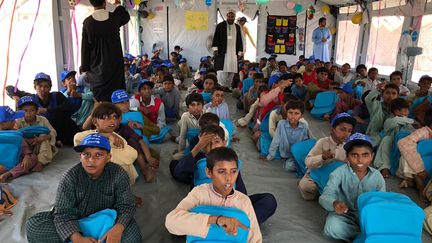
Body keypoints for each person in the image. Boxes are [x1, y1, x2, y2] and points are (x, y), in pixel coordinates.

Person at [26, 134, 141, 243]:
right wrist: (77, 239)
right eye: (86, 154)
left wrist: (117, 229)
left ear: (108, 158)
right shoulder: (70, 177)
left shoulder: (119, 174)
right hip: (77, 222)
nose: (91, 160)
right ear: (80, 157)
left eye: (99, 155)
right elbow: (62, 213)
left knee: (132, 237)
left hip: (107, 223)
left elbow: (126, 206)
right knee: (34, 225)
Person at [165, 147, 262, 242]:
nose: (229, 177)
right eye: (221, 171)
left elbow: (255, 238)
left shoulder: (243, 201)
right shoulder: (199, 193)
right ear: (209, 172)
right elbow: (171, 222)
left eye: (233, 171)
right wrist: (216, 220)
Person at [319, 133, 385, 242]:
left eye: (365, 155)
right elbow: (325, 196)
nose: (360, 160)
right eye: (354, 155)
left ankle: (362, 236)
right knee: (332, 226)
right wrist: (334, 203)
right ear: (347, 157)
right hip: (344, 216)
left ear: (372, 156)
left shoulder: (377, 176)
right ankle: (365, 237)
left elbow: (381, 201)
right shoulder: (338, 173)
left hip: (367, 217)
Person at [75, 103, 139, 185]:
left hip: (118, 180)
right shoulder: (89, 135)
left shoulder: (117, 139)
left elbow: (132, 155)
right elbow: (77, 138)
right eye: (106, 118)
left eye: (114, 117)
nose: (112, 121)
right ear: (95, 121)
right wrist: (106, 135)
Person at [298, 113, 356, 201]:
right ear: (332, 129)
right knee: (306, 186)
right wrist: (322, 157)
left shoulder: (348, 148)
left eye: (349, 131)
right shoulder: (323, 142)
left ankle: (327, 192)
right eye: (342, 129)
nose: (346, 134)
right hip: (317, 175)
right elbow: (308, 162)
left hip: (336, 178)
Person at [81, 0, 130, 102]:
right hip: (115, 67)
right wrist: (117, 4)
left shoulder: (87, 23)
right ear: (105, 3)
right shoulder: (114, 18)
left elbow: (85, 49)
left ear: (91, 3)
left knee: (101, 102)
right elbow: (125, 16)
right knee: (118, 99)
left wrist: (85, 68)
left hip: (97, 71)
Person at [398, 108, 432, 201]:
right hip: (413, 167)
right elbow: (403, 143)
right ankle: (419, 185)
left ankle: (411, 183)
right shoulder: (424, 131)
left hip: (427, 168)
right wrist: (419, 169)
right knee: (408, 154)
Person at [266, 100, 310, 171]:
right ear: (286, 113)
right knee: (288, 167)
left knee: (290, 166)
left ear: (301, 115)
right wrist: (270, 155)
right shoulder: (281, 124)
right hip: (285, 153)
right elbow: (276, 140)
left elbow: (305, 144)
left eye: (296, 113)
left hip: (296, 155)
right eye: (290, 113)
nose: (293, 116)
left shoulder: (304, 127)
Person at [15, 96, 58, 168]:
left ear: (37, 111)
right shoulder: (18, 121)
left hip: (39, 146)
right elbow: (15, 135)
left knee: (44, 135)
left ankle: (41, 162)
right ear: (20, 112)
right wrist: (26, 140)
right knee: (19, 139)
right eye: (25, 111)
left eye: (32, 110)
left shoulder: (43, 119)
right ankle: (29, 159)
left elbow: (53, 132)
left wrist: (42, 138)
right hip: (25, 148)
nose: (28, 113)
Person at [0, 106, 38, 182]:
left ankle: (8, 174)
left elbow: (23, 147)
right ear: (3, 123)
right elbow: (23, 146)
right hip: (11, 163)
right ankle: (10, 173)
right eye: (12, 120)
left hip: (11, 161)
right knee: (33, 158)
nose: (15, 121)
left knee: (32, 158)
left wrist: (26, 155)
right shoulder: (16, 134)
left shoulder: (15, 132)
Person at [212, 10, 243, 89]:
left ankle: (227, 87)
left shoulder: (237, 27)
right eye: (229, 16)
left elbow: (240, 40)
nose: (230, 18)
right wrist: (215, 49)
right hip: (222, 53)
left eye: (232, 17)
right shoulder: (220, 26)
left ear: (234, 17)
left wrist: (239, 52)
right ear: (226, 16)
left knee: (232, 71)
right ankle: (220, 87)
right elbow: (216, 38)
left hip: (233, 53)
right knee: (222, 71)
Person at [365, 83, 399, 151]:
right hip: (372, 138)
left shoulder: (399, 110)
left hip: (388, 142)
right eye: (387, 93)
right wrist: (377, 90)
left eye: (393, 93)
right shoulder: (376, 106)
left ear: (398, 96)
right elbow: (368, 99)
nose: (390, 96)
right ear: (382, 95)